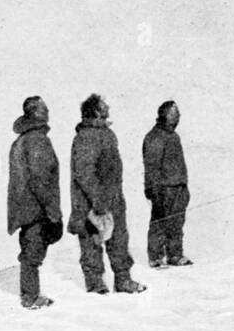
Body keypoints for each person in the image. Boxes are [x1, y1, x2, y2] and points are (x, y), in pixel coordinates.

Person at [68, 94, 146, 294]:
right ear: (95, 111)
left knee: (119, 240)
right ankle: (95, 285)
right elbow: (84, 173)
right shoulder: (85, 137)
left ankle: (123, 280)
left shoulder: (107, 134)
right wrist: (99, 202)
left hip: (113, 200)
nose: (108, 107)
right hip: (90, 204)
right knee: (91, 244)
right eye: (104, 106)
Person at [7, 96, 63, 309]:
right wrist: (52, 210)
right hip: (36, 208)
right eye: (44, 108)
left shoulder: (22, 139)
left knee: (32, 249)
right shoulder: (38, 139)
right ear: (36, 113)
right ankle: (30, 296)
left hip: (25, 208)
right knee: (32, 252)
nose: (48, 111)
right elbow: (41, 179)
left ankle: (30, 293)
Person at [142, 100, 192, 268]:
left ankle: (175, 255)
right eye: (173, 113)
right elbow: (152, 167)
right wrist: (153, 191)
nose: (178, 116)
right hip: (164, 189)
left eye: (178, 113)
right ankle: (155, 257)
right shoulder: (154, 137)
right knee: (160, 221)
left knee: (177, 223)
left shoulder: (174, 136)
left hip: (178, 186)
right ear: (164, 115)